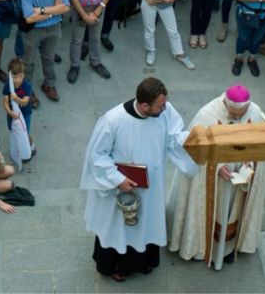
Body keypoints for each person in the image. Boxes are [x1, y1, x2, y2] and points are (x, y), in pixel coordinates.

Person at [80, 77, 198, 282]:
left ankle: (143, 262)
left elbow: (174, 136)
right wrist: (117, 179)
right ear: (145, 105)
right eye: (160, 106)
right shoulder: (113, 121)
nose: (164, 109)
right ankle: (116, 265)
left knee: (147, 222)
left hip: (151, 187)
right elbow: (97, 155)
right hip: (123, 188)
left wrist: (196, 143)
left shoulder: (164, 111)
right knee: (121, 229)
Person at [167, 85, 265, 269]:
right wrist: (217, 166)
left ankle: (228, 248)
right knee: (209, 209)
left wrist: (250, 159)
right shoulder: (207, 114)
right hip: (211, 175)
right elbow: (194, 148)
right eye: (234, 114)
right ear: (225, 103)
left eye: (242, 114)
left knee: (234, 209)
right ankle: (200, 249)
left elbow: (259, 140)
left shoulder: (254, 111)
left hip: (239, 175)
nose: (238, 118)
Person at [20, 0, 71, 103]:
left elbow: (66, 6)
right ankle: (27, 90)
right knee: (28, 62)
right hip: (34, 30)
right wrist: (54, 11)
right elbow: (29, 18)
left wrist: (42, 10)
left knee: (49, 58)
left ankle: (49, 84)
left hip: (54, 28)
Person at [2, 57, 36, 157]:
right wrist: (10, 112)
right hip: (12, 115)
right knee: (13, 131)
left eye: (20, 76)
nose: (17, 80)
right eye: (14, 77)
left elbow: (25, 102)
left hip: (25, 114)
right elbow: (5, 102)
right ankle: (18, 148)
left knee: (25, 133)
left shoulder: (27, 85)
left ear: (23, 75)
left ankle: (31, 147)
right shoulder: (7, 85)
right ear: (9, 75)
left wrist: (16, 99)